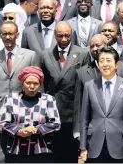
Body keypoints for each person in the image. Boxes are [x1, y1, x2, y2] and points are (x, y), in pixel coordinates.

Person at [0, 21, 40, 163]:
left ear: (17, 35)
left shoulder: (30, 56)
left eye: (11, 34)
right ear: (0, 36)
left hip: (25, 117)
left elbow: (39, 89)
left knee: (23, 158)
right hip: (0, 119)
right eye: (4, 34)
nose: (8, 37)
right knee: (1, 158)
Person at [80, 46, 123, 163]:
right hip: (95, 143)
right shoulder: (89, 86)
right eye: (101, 61)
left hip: (120, 144)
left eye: (109, 60)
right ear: (98, 65)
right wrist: (83, 147)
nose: (105, 64)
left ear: (116, 64)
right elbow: (84, 119)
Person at [41, 21, 90, 163]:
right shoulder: (46, 54)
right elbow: (42, 84)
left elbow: (84, 81)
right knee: (53, 154)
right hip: (52, 111)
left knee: (70, 153)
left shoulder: (81, 53)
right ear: (55, 35)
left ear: (72, 35)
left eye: (67, 36)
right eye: (60, 36)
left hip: (71, 110)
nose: (63, 39)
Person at [0, 66, 60, 163]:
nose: (32, 86)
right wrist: (19, 131)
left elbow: (55, 124)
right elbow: (2, 122)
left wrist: (36, 130)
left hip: (42, 152)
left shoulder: (48, 99)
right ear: (22, 83)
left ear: (40, 84)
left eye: (35, 83)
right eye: (28, 83)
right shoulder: (11, 99)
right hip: (16, 152)